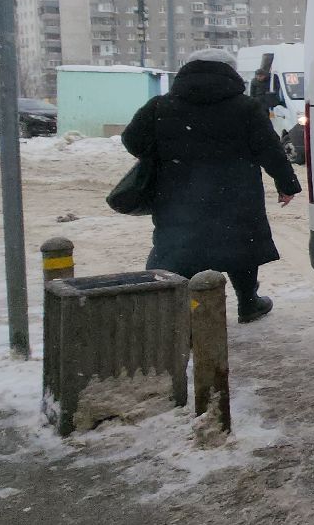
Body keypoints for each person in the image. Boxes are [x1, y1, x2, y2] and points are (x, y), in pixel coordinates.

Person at [121, 48, 300, 322]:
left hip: (178, 193)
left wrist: (167, 151)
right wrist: (286, 184)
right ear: (230, 71)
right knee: (240, 246)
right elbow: (270, 150)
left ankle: (176, 310)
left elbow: (132, 140)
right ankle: (248, 303)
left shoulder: (160, 106)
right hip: (236, 194)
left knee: (177, 247)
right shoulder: (246, 107)